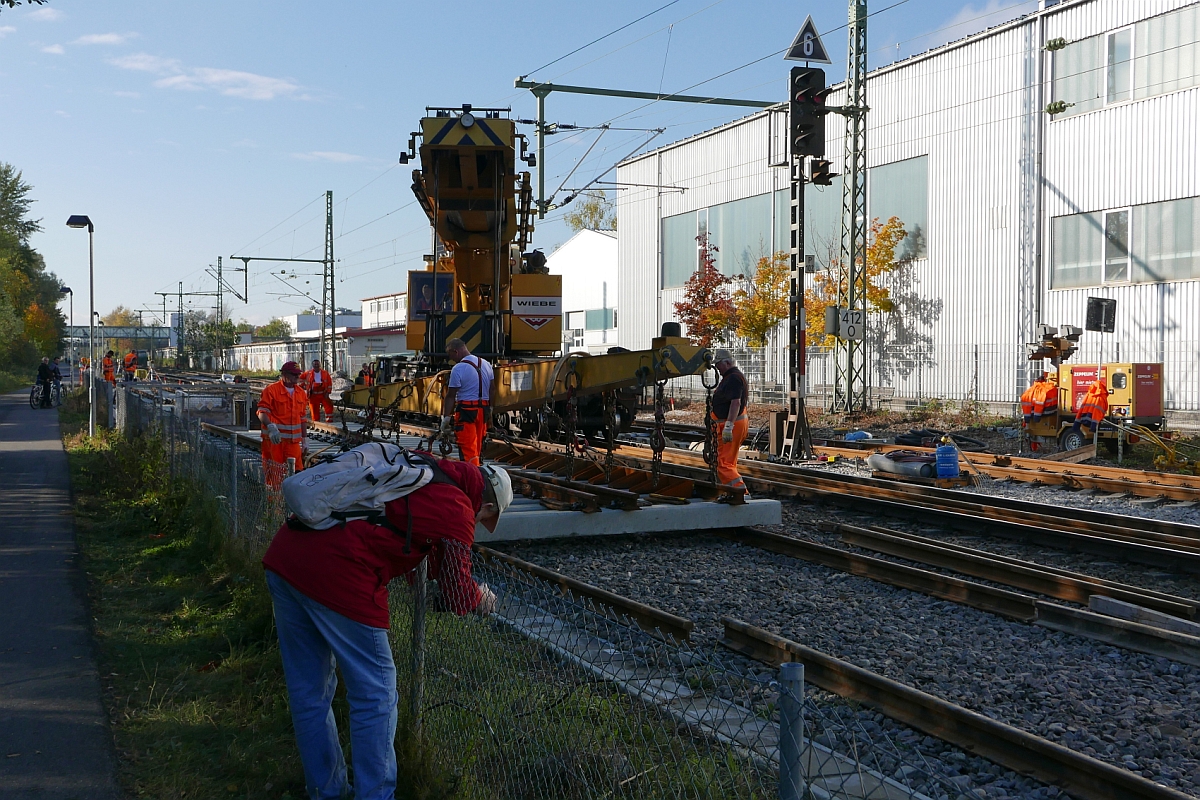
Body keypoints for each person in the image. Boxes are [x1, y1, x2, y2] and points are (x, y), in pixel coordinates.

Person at [261, 460, 512, 800]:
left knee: (309, 692)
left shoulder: (423, 470)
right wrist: (478, 597)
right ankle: (376, 795)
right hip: (338, 573)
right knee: (376, 696)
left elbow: (403, 532)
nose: (478, 524)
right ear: (485, 505)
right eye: (484, 520)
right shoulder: (457, 508)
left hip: (287, 556)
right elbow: (455, 590)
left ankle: (326, 791)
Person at [440, 337, 494, 466]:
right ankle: (479, 473)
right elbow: (492, 389)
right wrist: (491, 411)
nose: (451, 358)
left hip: (466, 412)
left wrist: (446, 419)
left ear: (456, 351)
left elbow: (451, 396)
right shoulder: (486, 364)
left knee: (468, 449)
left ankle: (472, 477)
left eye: (450, 354)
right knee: (478, 447)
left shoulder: (458, 368)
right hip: (483, 411)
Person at [257, 361, 310, 489]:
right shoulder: (271, 391)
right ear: (284, 374)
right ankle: (274, 506)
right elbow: (262, 412)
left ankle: (291, 507)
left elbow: (303, 418)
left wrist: (304, 440)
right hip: (274, 442)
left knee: (297, 475)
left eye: (298, 375)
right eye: (294, 375)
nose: (297, 378)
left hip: (293, 443)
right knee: (275, 477)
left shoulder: (301, 393)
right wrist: (270, 427)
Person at [711, 349, 750, 499]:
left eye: (718, 365)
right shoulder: (731, 376)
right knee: (728, 462)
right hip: (733, 423)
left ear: (727, 363)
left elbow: (735, 403)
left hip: (732, 425)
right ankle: (733, 493)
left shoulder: (733, 378)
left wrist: (728, 426)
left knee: (723, 464)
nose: (717, 368)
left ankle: (741, 493)